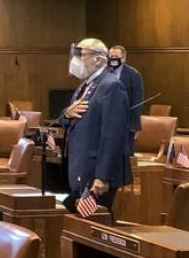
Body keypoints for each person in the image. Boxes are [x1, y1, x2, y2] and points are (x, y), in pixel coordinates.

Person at [61, 38, 131, 212]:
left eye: (82, 55)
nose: (76, 60)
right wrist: (66, 114)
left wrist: (103, 176)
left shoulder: (111, 86)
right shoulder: (85, 86)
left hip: (96, 173)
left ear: (98, 59)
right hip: (81, 166)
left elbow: (113, 136)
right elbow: (68, 118)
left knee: (95, 227)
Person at [108, 44, 144, 154]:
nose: (113, 59)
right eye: (111, 56)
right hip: (108, 122)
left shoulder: (133, 74)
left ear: (123, 58)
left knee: (126, 154)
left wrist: (134, 125)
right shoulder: (105, 73)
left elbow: (138, 100)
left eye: (116, 56)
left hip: (126, 123)